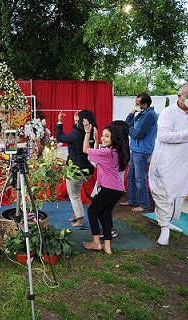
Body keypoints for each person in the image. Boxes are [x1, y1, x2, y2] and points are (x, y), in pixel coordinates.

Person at [149, 82, 188, 245]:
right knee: (163, 195)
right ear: (180, 96)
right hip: (166, 162)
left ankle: (168, 221)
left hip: (184, 162)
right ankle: (164, 226)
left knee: (178, 195)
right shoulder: (168, 113)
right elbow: (163, 136)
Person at [82, 119, 129, 254]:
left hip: (109, 189)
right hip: (117, 189)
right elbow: (96, 158)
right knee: (104, 213)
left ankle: (96, 243)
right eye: (103, 135)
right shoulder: (116, 151)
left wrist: (87, 132)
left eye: (107, 136)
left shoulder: (107, 153)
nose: (104, 138)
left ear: (115, 138)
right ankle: (107, 246)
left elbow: (86, 150)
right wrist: (97, 140)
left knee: (92, 212)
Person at [55, 110, 97, 227]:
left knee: (74, 195)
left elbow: (60, 137)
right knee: (76, 193)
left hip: (76, 170)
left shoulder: (76, 134)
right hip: (89, 169)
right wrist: (76, 121)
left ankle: (80, 218)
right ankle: (77, 212)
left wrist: (59, 122)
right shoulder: (92, 131)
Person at [119, 93, 158, 212]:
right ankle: (132, 200)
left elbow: (137, 134)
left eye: (137, 103)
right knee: (130, 176)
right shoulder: (141, 114)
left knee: (140, 178)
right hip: (136, 149)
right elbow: (126, 124)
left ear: (145, 104)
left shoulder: (150, 115)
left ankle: (144, 204)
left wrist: (129, 129)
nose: (135, 105)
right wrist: (132, 113)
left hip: (142, 151)